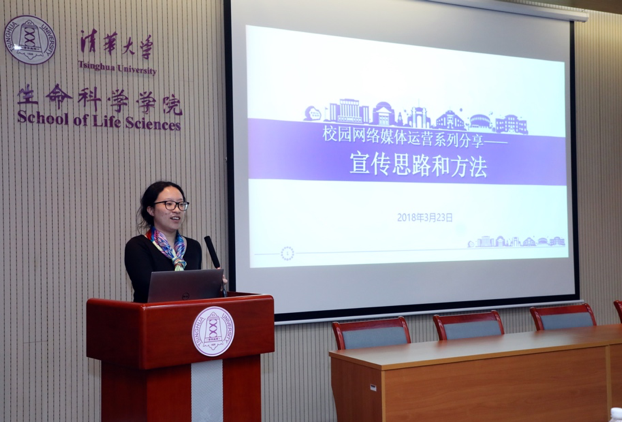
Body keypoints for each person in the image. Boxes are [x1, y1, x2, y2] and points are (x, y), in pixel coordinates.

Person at [125, 181, 202, 302]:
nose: (177, 210)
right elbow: (148, 291)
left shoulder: (194, 247)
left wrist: (211, 285)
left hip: (188, 313)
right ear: (151, 210)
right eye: (169, 204)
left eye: (180, 204)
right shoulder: (137, 246)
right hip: (152, 313)